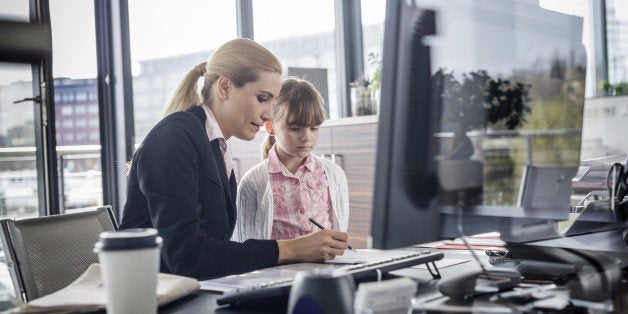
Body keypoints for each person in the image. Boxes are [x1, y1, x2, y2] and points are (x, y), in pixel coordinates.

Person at [119, 39, 349, 281]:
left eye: (273, 101)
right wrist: (292, 249)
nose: (269, 113)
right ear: (225, 87)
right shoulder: (175, 137)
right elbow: (188, 257)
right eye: (262, 98)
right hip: (149, 295)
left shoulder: (214, 146)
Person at [233, 78, 349, 242]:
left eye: (314, 128)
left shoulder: (333, 174)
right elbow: (245, 245)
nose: (306, 137)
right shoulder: (254, 182)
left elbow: (339, 234)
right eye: (295, 129)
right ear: (271, 127)